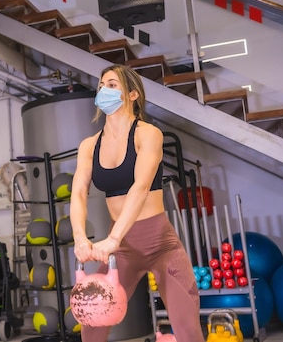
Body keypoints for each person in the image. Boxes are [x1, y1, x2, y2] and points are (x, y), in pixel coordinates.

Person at [69, 64, 204, 342]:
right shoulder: (89, 146)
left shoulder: (148, 134)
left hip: (159, 243)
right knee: (92, 323)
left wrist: (114, 238)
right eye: (101, 85)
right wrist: (80, 237)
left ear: (132, 94)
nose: (103, 90)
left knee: (188, 328)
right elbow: (78, 193)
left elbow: (140, 188)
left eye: (112, 85)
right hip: (122, 249)